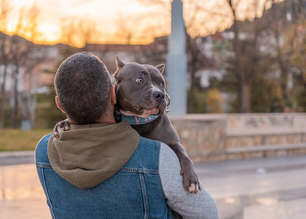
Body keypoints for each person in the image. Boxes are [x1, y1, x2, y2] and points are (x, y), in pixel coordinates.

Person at [35, 52, 219, 219]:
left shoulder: (44, 151)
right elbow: (208, 214)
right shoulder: (156, 156)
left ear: (60, 104)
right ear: (113, 95)